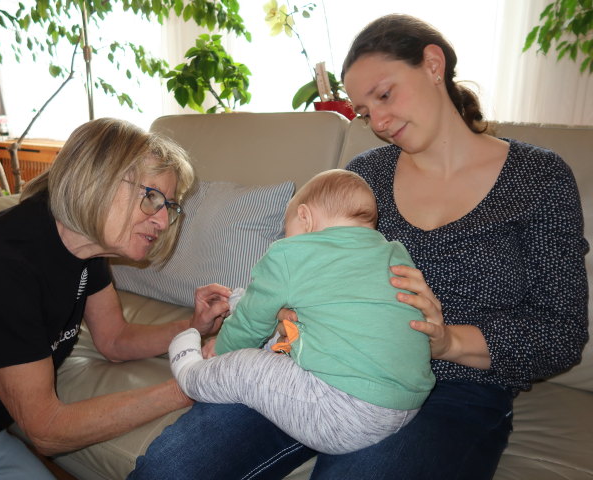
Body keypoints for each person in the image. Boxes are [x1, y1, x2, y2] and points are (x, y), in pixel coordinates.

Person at [128, 14, 589, 480]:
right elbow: (294, 259)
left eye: (385, 95)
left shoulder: (539, 179)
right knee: (171, 470)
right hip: (312, 361)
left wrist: (446, 340)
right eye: (367, 113)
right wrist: (279, 308)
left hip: (457, 388)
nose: (380, 122)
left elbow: (561, 334)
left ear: (433, 64)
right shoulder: (365, 176)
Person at [0, 118, 231, 479]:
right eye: (152, 198)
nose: (162, 222)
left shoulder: (83, 245)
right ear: (96, 181)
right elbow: (47, 430)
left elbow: (114, 339)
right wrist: (190, 386)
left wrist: (193, 326)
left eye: (169, 206)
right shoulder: (0, 268)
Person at [167, 169, 435, 455]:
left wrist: (221, 350)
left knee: (247, 366)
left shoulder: (290, 253)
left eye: (287, 227)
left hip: (343, 413)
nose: (285, 237)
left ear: (305, 218)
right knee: (292, 328)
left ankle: (192, 377)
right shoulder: (393, 253)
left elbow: (249, 323)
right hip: (406, 404)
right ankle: (240, 300)